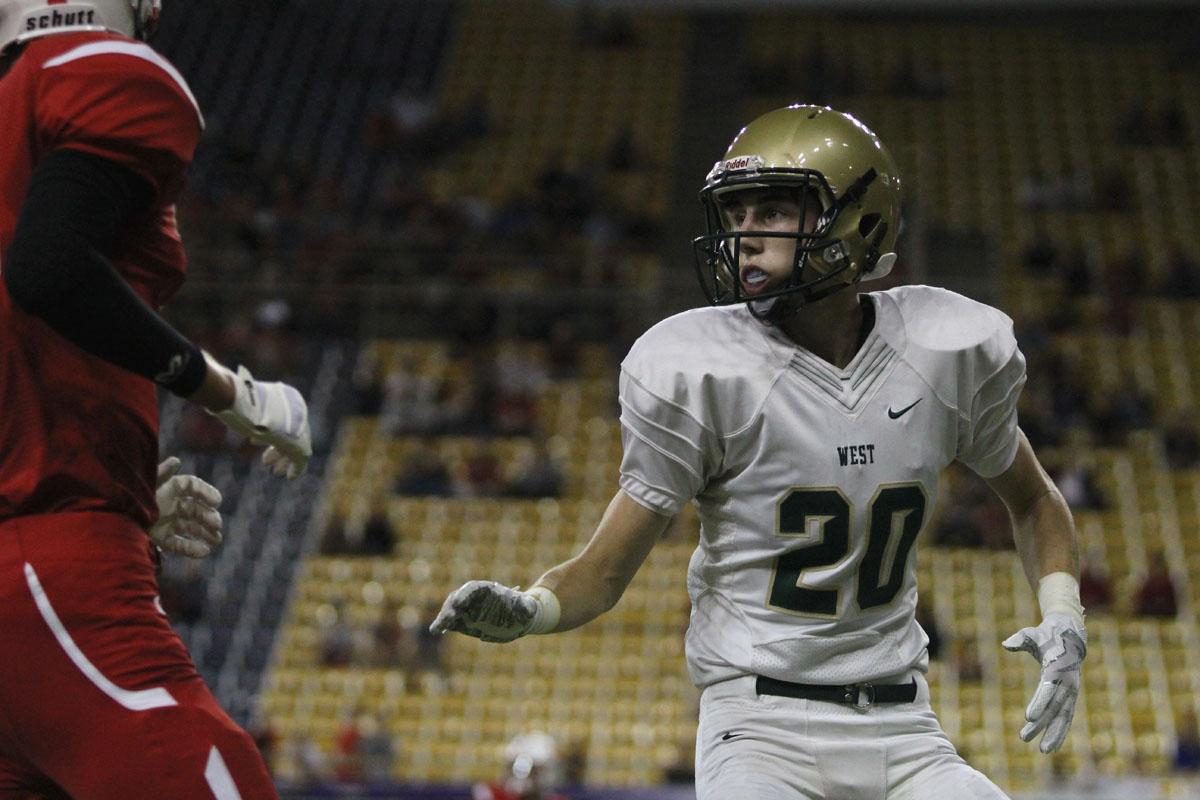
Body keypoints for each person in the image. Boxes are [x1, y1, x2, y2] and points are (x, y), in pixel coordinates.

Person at [432, 105, 1088, 798]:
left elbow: (1036, 498)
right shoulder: (702, 368)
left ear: (856, 220)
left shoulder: (945, 351)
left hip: (905, 724)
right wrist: (530, 609)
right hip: (760, 729)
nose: (745, 236)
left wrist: (1064, 616)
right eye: (737, 215)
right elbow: (602, 573)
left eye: (772, 211)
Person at [0, 2, 312, 798]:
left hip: (39, 551)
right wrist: (232, 395)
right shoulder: (97, 69)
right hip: (48, 561)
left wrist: (118, 490)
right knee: (209, 773)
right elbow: (46, 269)